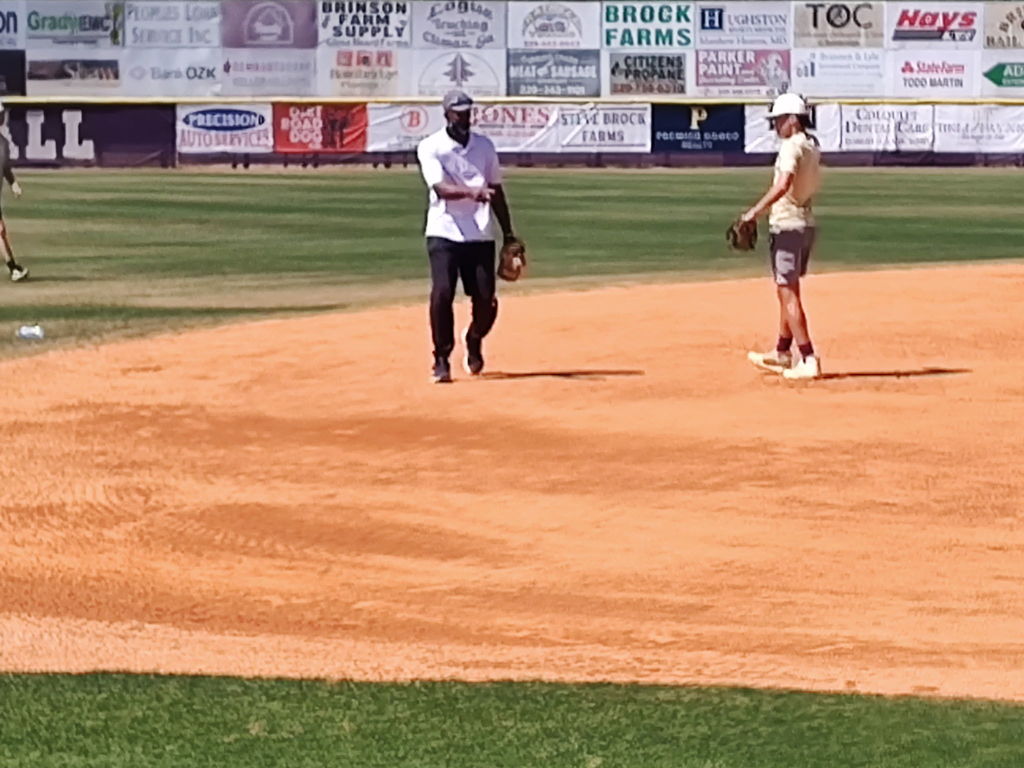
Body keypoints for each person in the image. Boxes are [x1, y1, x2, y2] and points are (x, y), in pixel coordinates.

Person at [415, 90, 518, 384]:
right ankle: (441, 358)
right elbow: (440, 188)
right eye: (458, 112)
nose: (464, 117)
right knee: (443, 292)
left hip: (480, 233)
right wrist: (474, 192)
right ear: (447, 114)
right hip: (444, 230)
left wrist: (508, 233)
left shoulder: (484, 146)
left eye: (468, 112)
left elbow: (496, 190)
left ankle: (474, 338)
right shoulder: (431, 146)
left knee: (486, 300)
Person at [743, 92, 821, 380]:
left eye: (779, 120)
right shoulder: (812, 145)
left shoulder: (791, 147)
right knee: (788, 289)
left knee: (787, 292)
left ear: (793, 120)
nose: (775, 125)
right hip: (805, 223)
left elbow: (784, 183)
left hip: (787, 224)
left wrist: (754, 212)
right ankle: (782, 352)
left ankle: (808, 358)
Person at [0, 102, 27, 282]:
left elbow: (4, 167)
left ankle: (13, 268)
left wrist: (13, 182)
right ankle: (13, 268)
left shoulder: (2, 143)